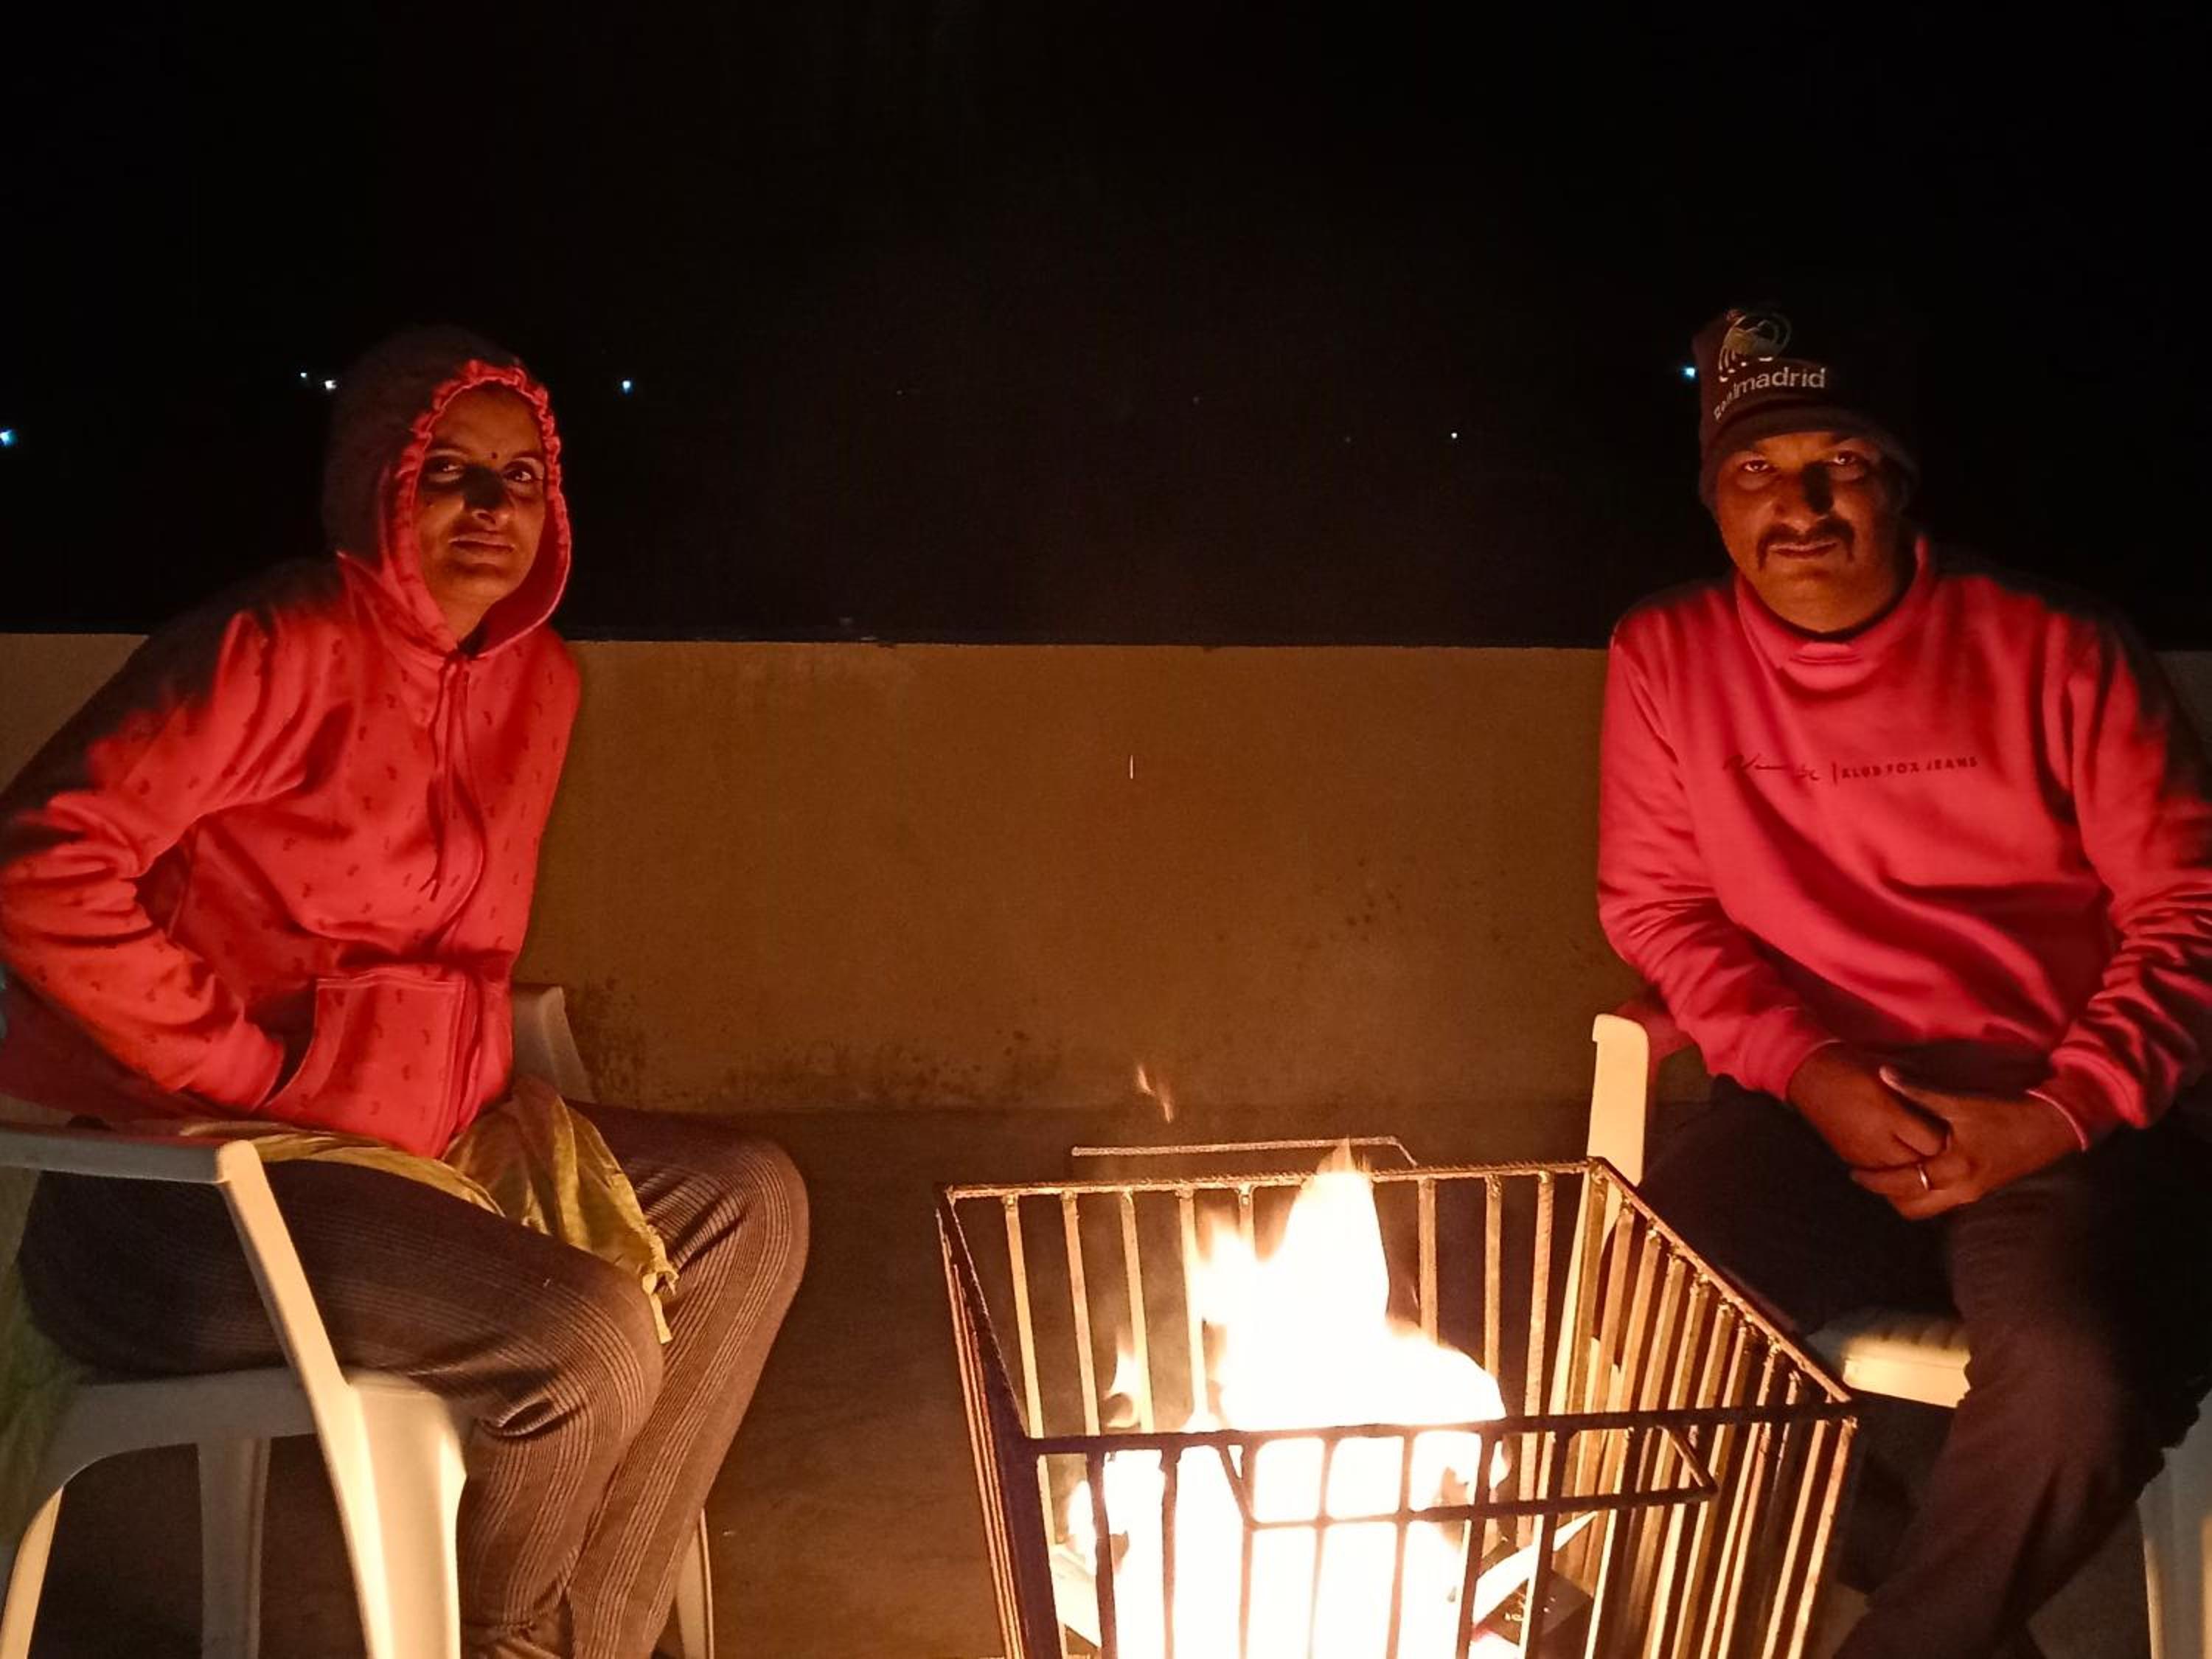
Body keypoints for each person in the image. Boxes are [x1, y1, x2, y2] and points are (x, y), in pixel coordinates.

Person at [0, 328, 808, 1659]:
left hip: (420, 1165)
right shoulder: (275, 646)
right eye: (449, 470)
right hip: (178, 1192)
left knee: (749, 1207)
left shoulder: (539, 688)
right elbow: (38, 868)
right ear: (377, 480)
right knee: (588, 1338)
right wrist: (241, 1063)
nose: (490, 506)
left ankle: (580, 1645)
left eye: (521, 477)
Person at [1597, 301, 2212, 1658]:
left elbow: (2190, 911)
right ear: (1713, 496)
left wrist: (2056, 1113)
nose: (1800, 505)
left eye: (1840, 461)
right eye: (1756, 469)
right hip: (1810, 1119)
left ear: (1899, 477)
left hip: (2053, 1124)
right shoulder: (1667, 657)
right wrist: (1812, 1073)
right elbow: (1660, 908)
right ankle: (1955, 1615)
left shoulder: (2058, 646)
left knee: (2076, 1385)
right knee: (1647, 1315)